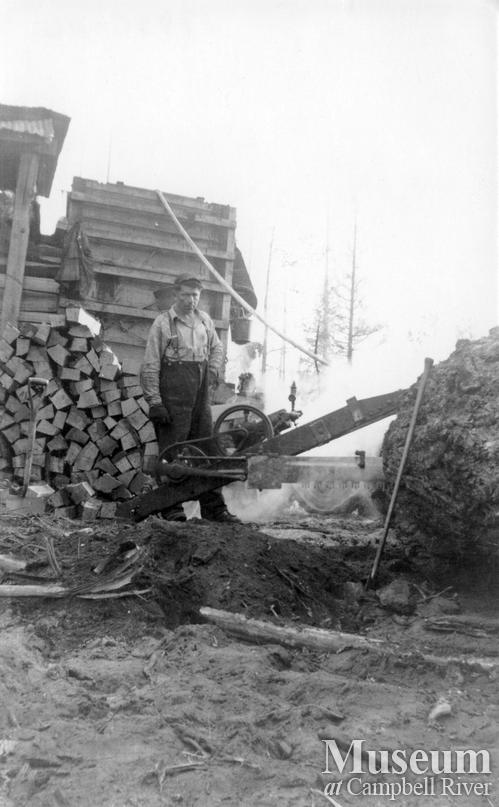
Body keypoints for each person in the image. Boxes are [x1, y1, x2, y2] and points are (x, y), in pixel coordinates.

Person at [141, 273, 240, 523]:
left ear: (200, 297)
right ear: (176, 295)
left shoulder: (204, 321)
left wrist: (215, 369)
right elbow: (151, 365)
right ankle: (171, 508)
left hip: (199, 397)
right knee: (172, 453)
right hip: (173, 399)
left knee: (207, 451)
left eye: (195, 295)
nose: (190, 300)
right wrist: (155, 402)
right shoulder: (163, 324)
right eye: (185, 294)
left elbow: (217, 348)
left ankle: (214, 509)